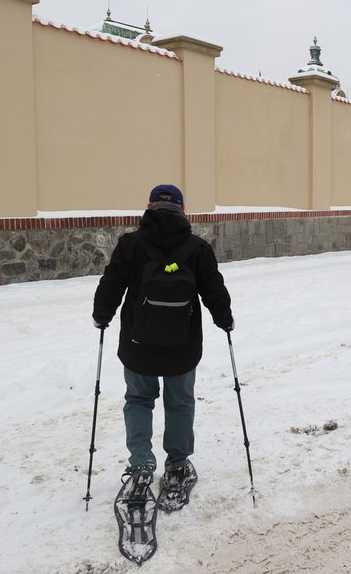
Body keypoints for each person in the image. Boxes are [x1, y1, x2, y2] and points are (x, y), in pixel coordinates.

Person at [92, 184, 233, 508]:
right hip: (182, 348)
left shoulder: (130, 244)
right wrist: (224, 320)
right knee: (179, 402)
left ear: (149, 207)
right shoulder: (197, 248)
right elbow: (214, 289)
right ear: (183, 209)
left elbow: (111, 284)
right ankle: (177, 467)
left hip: (138, 345)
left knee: (139, 399)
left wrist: (102, 316)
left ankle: (141, 464)